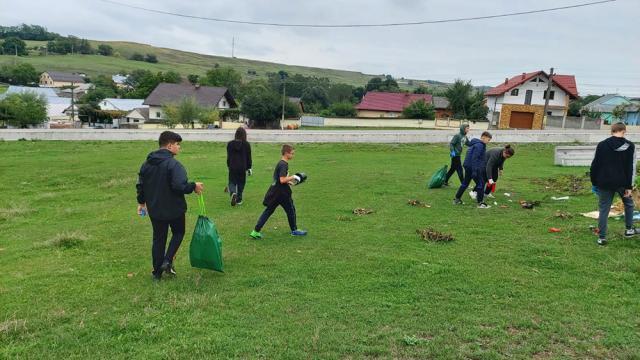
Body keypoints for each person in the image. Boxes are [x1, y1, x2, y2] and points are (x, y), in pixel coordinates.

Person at [136, 131, 204, 280]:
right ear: (169, 145)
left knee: (158, 239)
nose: (179, 147)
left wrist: (141, 203)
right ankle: (167, 261)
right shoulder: (174, 165)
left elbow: (140, 186)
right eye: (177, 144)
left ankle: (157, 273)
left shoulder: (145, 164)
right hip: (175, 209)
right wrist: (193, 186)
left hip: (155, 210)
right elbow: (180, 186)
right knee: (178, 233)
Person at [590, 122, 637, 246]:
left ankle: (602, 238)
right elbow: (631, 167)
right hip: (622, 183)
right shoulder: (630, 146)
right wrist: (629, 187)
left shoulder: (602, 145)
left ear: (612, 131)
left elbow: (595, 165)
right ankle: (629, 229)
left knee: (604, 209)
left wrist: (594, 182)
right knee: (629, 204)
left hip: (604, 182)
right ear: (624, 131)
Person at [250, 144, 307, 239]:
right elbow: (281, 180)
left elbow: (280, 179)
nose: (293, 155)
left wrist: (288, 182)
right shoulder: (283, 164)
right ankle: (294, 230)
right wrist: (293, 177)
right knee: (291, 210)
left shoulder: (280, 163)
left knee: (268, 211)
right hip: (282, 194)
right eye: (292, 154)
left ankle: (255, 231)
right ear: (286, 153)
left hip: (275, 193)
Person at [453, 131, 492, 208]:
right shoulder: (480, 145)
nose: (488, 141)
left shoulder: (474, 144)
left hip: (468, 166)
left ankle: (457, 199)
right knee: (480, 184)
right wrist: (474, 171)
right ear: (483, 137)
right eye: (488, 139)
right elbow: (475, 158)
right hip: (474, 167)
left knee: (465, 183)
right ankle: (481, 203)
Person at [227, 127, 252, 206]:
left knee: (232, 182)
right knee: (241, 183)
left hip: (232, 166)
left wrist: (228, 165)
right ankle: (239, 199)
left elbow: (229, 156)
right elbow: (249, 157)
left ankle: (233, 193)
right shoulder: (246, 144)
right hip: (242, 167)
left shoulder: (230, 144)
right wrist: (249, 167)